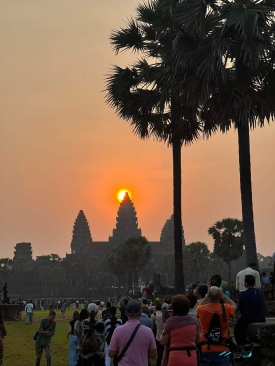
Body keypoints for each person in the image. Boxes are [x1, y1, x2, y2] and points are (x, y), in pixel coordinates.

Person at [108, 300, 157, 366]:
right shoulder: (148, 331)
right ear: (140, 313)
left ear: (126, 313)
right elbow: (153, 355)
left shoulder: (118, 330)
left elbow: (111, 353)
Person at [197, 287, 236, 366]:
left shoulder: (202, 309)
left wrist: (207, 296)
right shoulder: (226, 308)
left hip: (205, 347)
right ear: (219, 296)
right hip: (223, 348)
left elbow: (196, 308)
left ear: (208, 296)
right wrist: (223, 295)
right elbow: (234, 306)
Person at [160, 295, 200, 366]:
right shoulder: (194, 322)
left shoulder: (171, 322)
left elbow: (163, 341)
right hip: (191, 356)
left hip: (175, 356)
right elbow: (198, 340)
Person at [234, 275, 265, 353]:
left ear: (246, 283)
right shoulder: (259, 293)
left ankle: (242, 350)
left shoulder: (244, 294)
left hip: (248, 318)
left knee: (237, 330)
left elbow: (241, 308)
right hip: (261, 318)